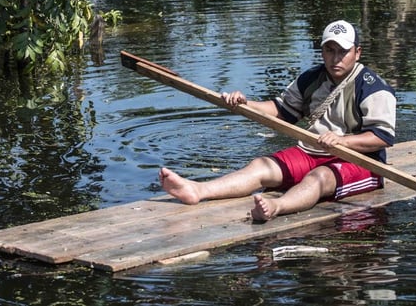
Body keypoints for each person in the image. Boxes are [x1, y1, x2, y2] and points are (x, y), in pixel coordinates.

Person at [159, 19, 396, 221]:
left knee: (319, 177)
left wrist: (343, 142)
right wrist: (245, 104)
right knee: (261, 166)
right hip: (316, 150)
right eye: (330, 50)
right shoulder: (311, 78)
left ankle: (276, 207)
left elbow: (382, 138)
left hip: (363, 162)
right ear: (322, 51)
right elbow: (282, 110)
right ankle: (198, 190)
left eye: (343, 51)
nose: (336, 58)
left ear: (357, 52)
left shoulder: (373, 87)